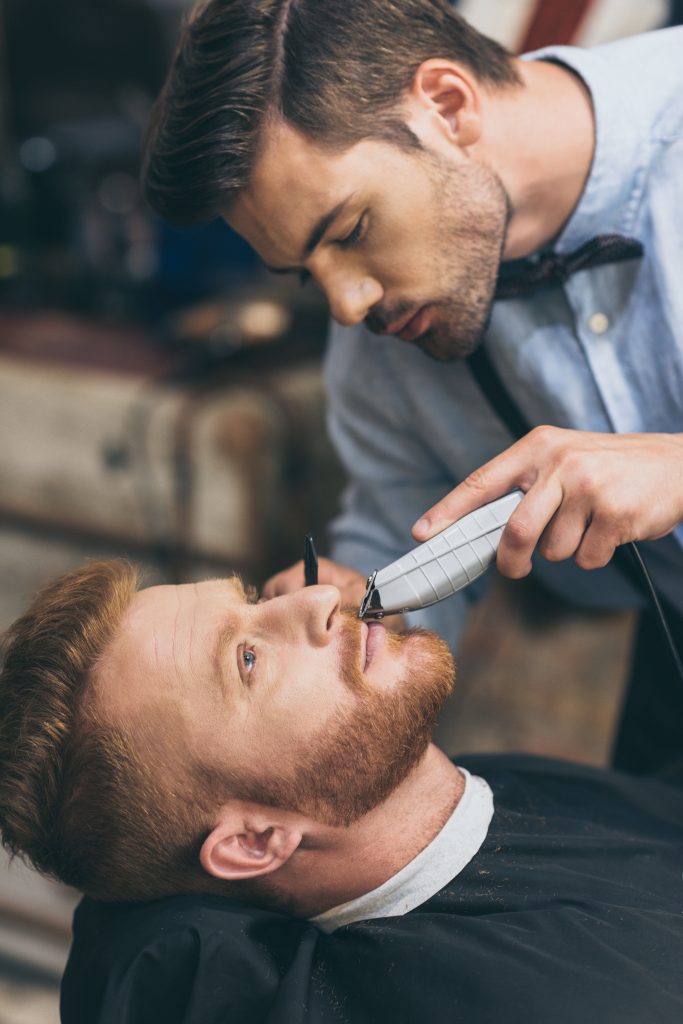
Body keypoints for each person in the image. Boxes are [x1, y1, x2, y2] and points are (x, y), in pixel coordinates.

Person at [142, 0, 683, 779]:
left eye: (349, 231)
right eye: (304, 270)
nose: (347, 306)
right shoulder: (382, 337)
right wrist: (361, 592)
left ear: (447, 105)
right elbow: (401, 525)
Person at [0, 560, 682, 1022]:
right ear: (253, 841)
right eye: (247, 658)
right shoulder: (536, 1000)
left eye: (256, 601)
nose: (320, 597)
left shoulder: (486, 783)